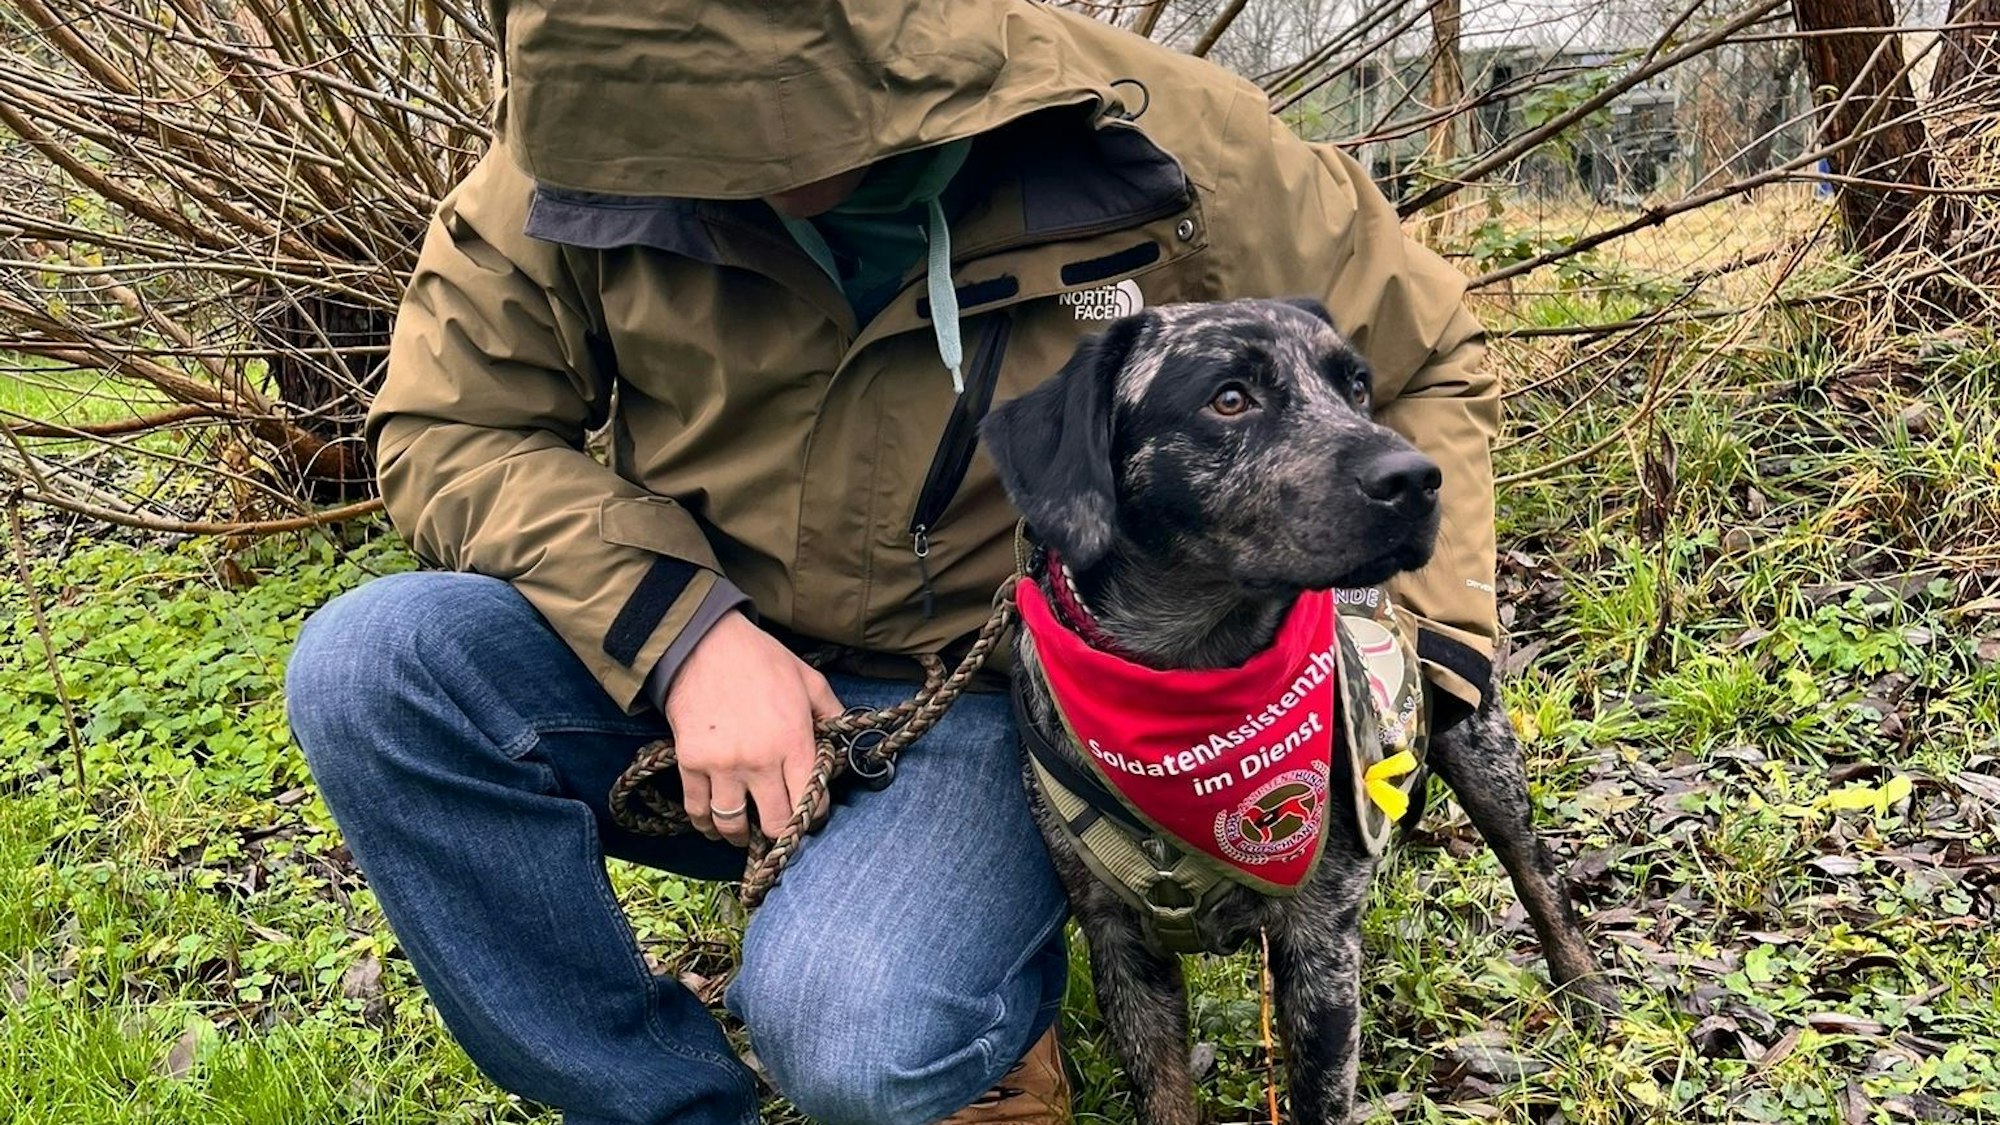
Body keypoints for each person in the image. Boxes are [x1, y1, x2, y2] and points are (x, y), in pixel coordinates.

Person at [284, 3, 1500, 1123]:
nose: (718, 176)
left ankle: (976, 1010)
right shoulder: (581, 142)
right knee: (376, 665)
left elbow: (1423, 356)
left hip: (993, 703)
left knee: (861, 1046)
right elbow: (450, 427)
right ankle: (659, 1103)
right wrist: (684, 632)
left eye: (761, 130)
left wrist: (1430, 655)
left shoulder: (1158, 139)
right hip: (690, 680)